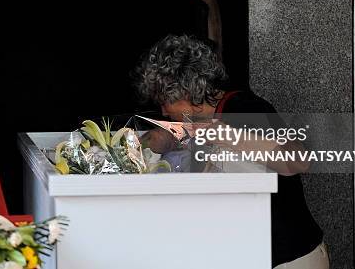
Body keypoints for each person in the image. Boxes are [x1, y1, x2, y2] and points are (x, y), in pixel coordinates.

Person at [133, 34, 328, 269]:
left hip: (288, 259)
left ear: (185, 93)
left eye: (164, 101)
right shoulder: (204, 119)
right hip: (254, 256)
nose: (163, 111)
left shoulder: (244, 108)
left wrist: (223, 135)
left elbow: (297, 161)